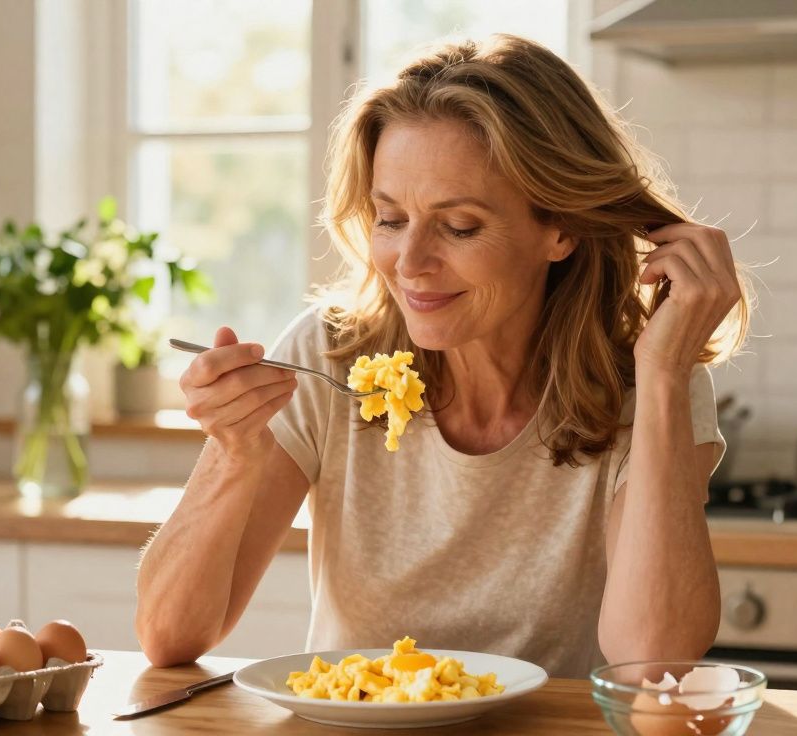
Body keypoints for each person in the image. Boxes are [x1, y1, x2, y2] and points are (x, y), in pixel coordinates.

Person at [136, 34, 749, 679]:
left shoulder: (647, 375)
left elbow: (655, 657)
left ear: (560, 229)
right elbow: (169, 636)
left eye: (459, 227)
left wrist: (661, 380)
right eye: (390, 218)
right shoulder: (331, 354)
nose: (410, 263)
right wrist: (230, 453)